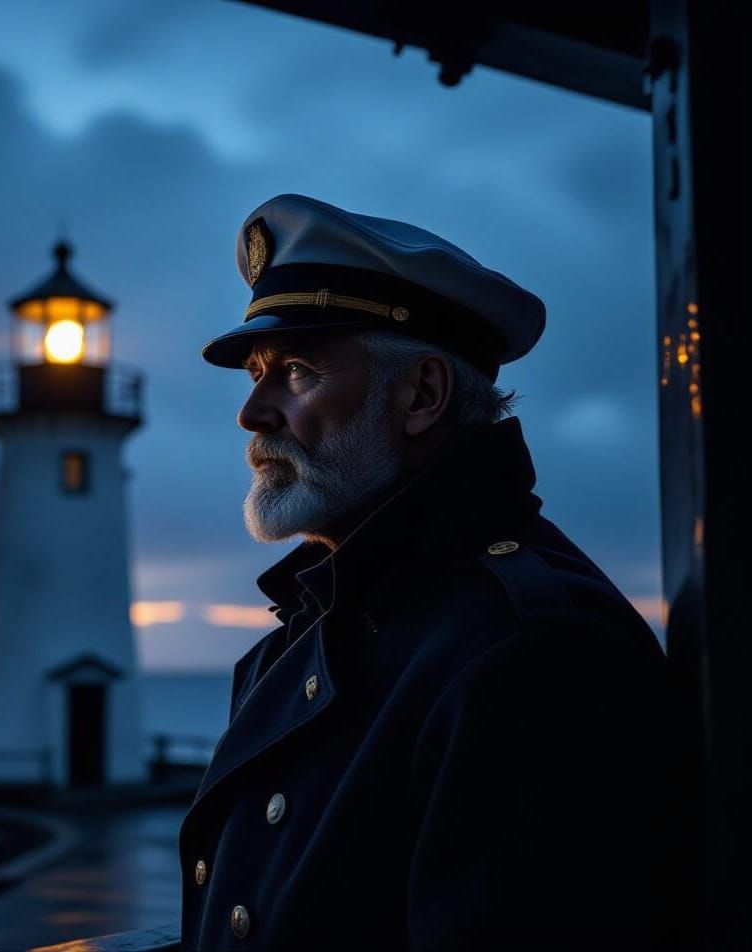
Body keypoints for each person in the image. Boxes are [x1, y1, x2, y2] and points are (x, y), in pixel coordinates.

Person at [178, 194, 678, 951]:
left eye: (297, 371)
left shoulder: (533, 652)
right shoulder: (317, 625)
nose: (252, 412)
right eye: (255, 373)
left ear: (422, 395)